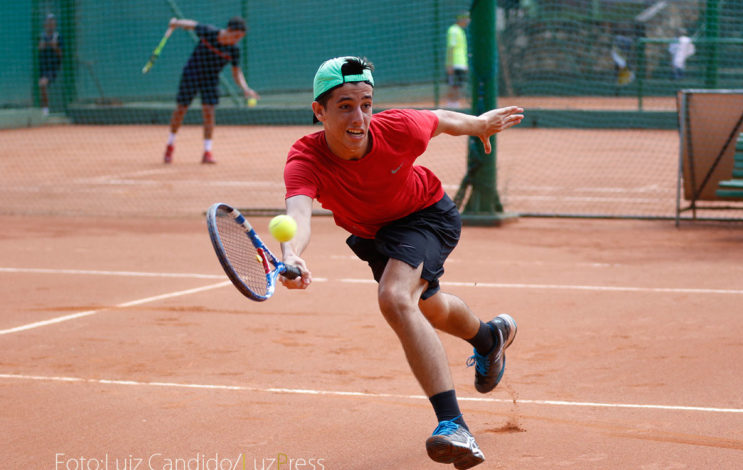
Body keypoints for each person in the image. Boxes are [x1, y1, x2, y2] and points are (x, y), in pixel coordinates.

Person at [279, 56, 523, 469]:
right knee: (428, 307)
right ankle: (489, 338)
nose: (359, 117)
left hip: (425, 215)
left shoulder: (398, 128)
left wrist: (480, 124)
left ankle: (454, 426)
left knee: (394, 297)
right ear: (319, 111)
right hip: (375, 234)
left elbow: (441, 118)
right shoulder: (305, 159)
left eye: (366, 104)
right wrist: (291, 254)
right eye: (344, 106)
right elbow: (298, 214)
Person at [162, 17, 259, 164]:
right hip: (192, 74)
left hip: (211, 79)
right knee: (181, 109)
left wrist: (245, 88)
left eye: (240, 37)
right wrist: (176, 23)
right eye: (236, 36)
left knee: (209, 112)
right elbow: (191, 25)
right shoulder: (209, 32)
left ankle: (207, 151)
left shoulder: (234, 50)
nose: (237, 40)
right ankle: (170, 144)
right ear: (229, 30)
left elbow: (236, 72)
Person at [38, 13, 62, 117]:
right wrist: (41, 47)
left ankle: (45, 110)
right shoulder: (41, 36)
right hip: (41, 67)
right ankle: (41, 109)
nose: (50, 24)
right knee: (41, 84)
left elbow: (62, 54)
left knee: (43, 84)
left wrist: (54, 47)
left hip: (53, 68)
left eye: (52, 22)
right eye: (48, 22)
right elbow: (37, 50)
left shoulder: (58, 37)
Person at [445, 12, 470, 109]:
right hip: (455, 64)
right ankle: (451, 105)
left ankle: (455, 104)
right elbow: (451, 48)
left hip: (461, 64)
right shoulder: (453, 30)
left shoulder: (460, 31)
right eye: (467, 18)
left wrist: (465, 64)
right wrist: (450, 64)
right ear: (461, 19)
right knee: (453, 85)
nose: (468, 21)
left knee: (458, 85)